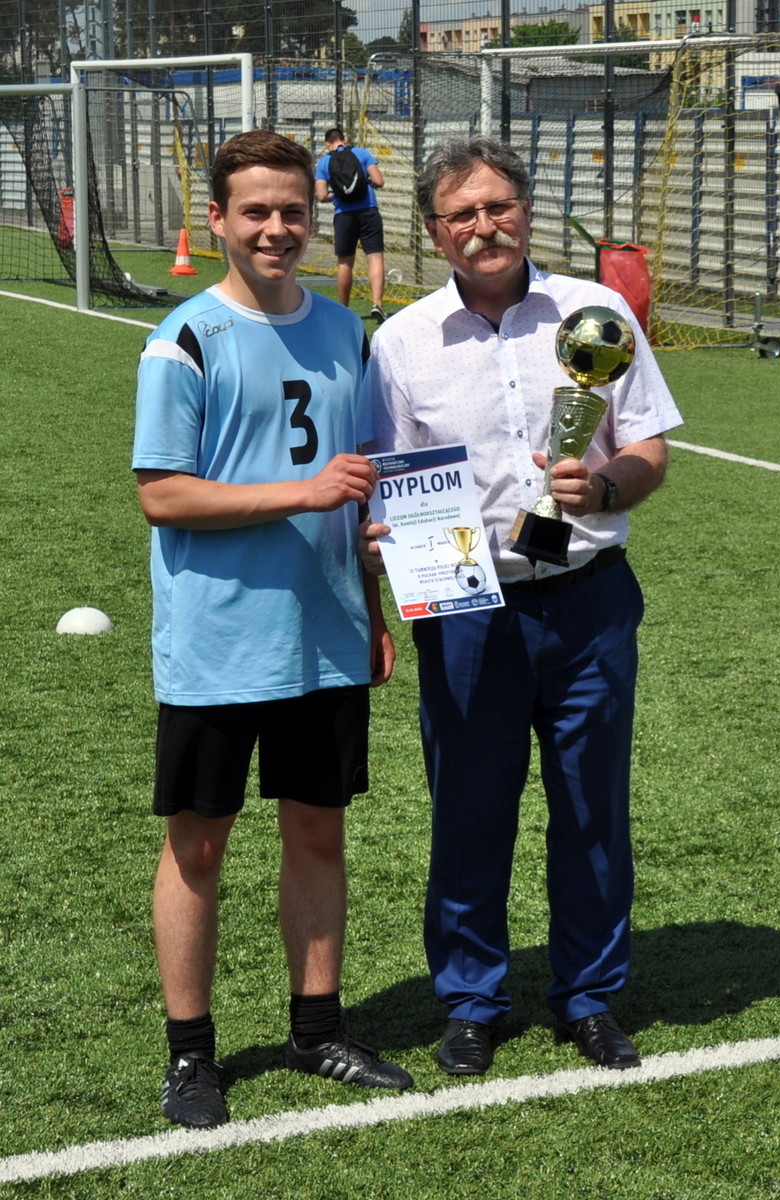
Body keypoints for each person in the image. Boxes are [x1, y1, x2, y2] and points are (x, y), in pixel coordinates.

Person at [361, 137, 683, 1077]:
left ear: (526, 211)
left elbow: (650, 448)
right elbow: (387, 479)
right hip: (467, 613)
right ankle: (471, 1001)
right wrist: (384, 550)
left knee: (591, 808)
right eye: (461, 214)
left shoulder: (595, 312)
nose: (483, 227)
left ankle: (590, 997)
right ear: (434, 232)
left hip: (588, 601)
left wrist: (606, 486)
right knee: (469, 812)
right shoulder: (402, 341)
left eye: (498, 206)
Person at [132, 129, 413, 1130]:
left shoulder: (345, 331)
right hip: (219, 640)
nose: (276, 229)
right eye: (254, 211)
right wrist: (304, 492)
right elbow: (163, 494)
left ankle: (317, 1030)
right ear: (217, 220)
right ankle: (190, 1056)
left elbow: (361, 486)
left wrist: (374, 603)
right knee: (199, 847)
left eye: (293, 211)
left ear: (315, 215)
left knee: (318, 831)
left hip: (326, 631)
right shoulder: (184, 339)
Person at [315, 127, 387, 323]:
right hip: (368, 210)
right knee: (375, 257)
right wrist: (366, 183)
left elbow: (321, 195)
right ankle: (378, 303)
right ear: (344, 140)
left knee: (345, 263)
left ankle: (344, 309)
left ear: (327, 144)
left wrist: (338, 194)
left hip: (344, 215)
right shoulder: (362, 153)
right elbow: (379, 181)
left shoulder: (324, 162)